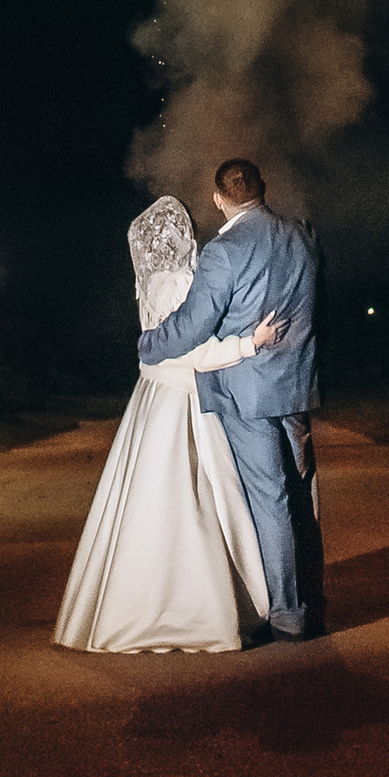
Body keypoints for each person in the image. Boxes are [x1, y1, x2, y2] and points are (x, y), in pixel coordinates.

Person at [53, 194, 275, 653]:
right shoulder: (179, 281)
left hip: (151, 397)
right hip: (182, 399)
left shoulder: (150, 281)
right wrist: (249, 344)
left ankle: (128, 605)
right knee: (187, 501)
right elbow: (192, 348)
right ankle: (188, 613)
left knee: (144, 499)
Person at [132, 157, 321, 643]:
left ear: (219, 198)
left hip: (246, 389)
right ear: (263, 187)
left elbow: (192, 326)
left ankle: (286, 613)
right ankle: (304, 595)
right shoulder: (303, 236)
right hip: (295, 385)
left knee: (269, 499)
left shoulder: (225, 250)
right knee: (299, 493)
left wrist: (148, 345)